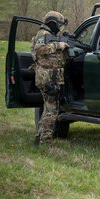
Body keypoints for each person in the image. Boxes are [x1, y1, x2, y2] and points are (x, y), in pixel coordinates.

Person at [31, 11, 69, 145]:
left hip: (49, 76)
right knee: (51, 110)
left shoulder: (49, 35)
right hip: (48, 77)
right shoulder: (43, 35)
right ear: (52, 23)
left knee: (48, 108)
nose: (59, 28)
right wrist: (59, 45)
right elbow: (39, 49)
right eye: (58, 25)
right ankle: (45, 142)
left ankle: (39, 137)